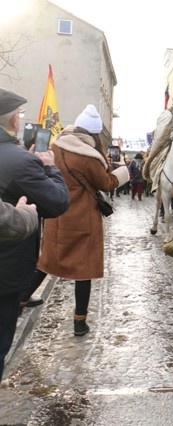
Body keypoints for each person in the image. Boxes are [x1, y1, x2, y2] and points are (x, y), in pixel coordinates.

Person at [24, 104, 130, 337]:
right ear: (93, 134)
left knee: (46, 262)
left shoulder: (55, 145)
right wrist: (122, 172)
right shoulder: (88, 156)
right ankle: (79, 323)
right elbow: (106, 183)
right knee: (84, 270)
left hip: (56, 214)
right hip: (83, 219)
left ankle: (22, 299)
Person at [0, 88, 69, 381]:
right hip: (6, 268)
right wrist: (50, 168)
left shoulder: (18, 158)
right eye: (20, 114)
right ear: (14, 120)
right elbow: (57, 202)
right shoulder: (21, 160)